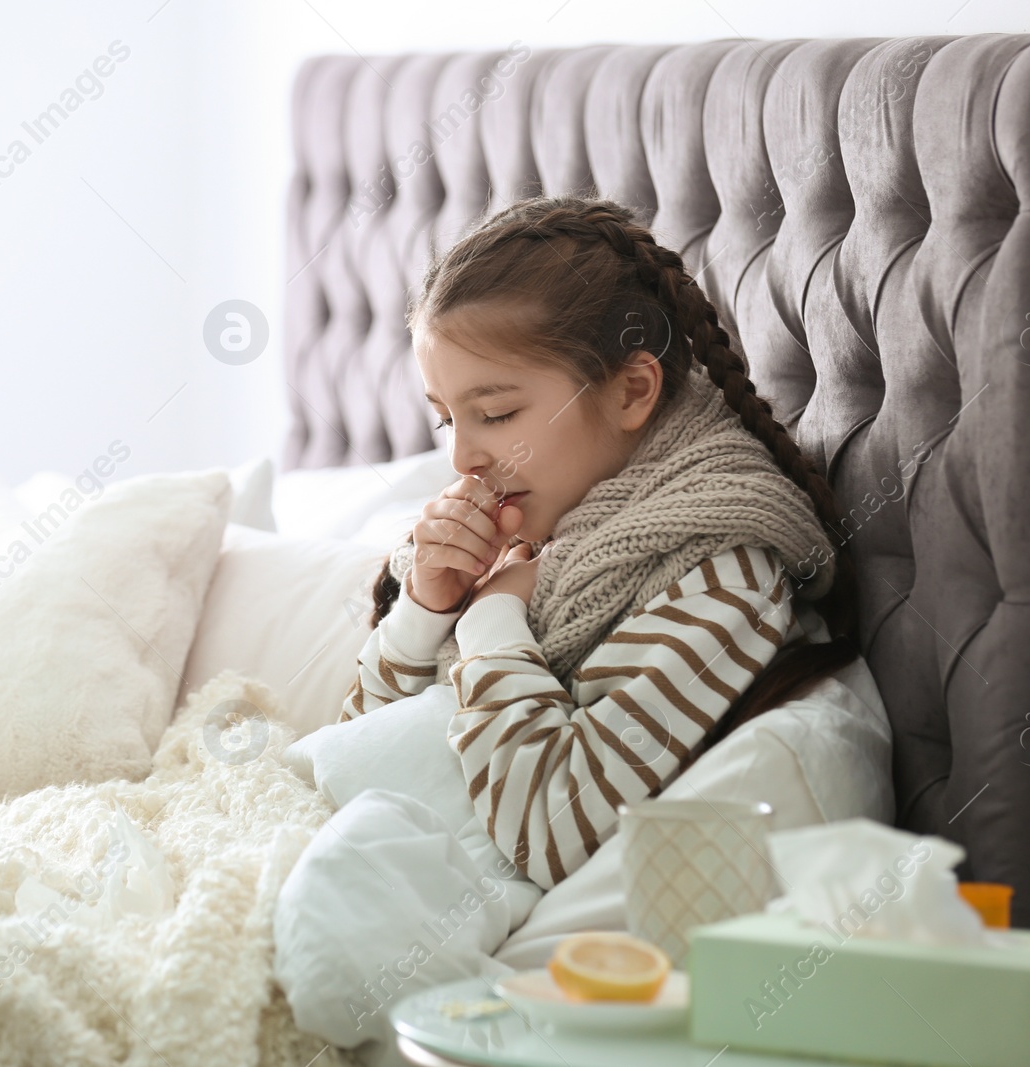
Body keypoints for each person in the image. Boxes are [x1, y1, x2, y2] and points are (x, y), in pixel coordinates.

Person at [340, 195, 861, 893]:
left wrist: (491, 620)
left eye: (495, 414)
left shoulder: (724, 581)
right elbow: (353, 759)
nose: (463, 457)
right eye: (446, 421)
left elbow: (550, 829)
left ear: (632, 391)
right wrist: (422, 614)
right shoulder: (542, 530)